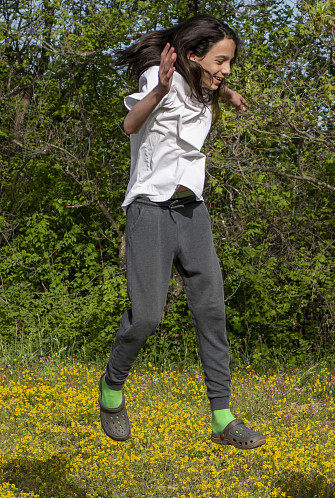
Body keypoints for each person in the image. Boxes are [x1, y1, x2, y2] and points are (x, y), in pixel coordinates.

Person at [97, 14, 266, 450]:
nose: (227, 70)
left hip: (192, 211)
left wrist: (226, 93)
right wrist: (158, 90)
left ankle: (222, 417)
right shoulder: (161, 77)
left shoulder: (205, 86)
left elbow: (205, 91)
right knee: (148, 315)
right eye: (222, 62)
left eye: (230, 63)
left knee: (211, 310)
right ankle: (112, 389)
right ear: (194, 55)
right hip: (149, 210)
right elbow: (130, 125)